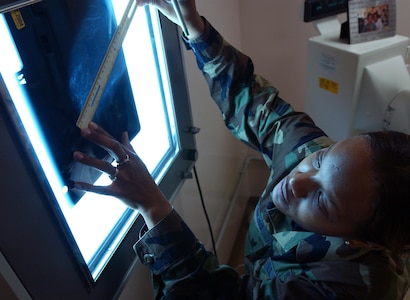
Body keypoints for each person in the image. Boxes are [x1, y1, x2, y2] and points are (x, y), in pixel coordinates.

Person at [73, 1, 410, 298]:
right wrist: (193, 24)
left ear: (364, 243)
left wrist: (154, 206)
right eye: (322, 160)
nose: (297, 180)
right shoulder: (314, 157)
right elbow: (254, 102)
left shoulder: (349, 288)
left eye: (322, 200)